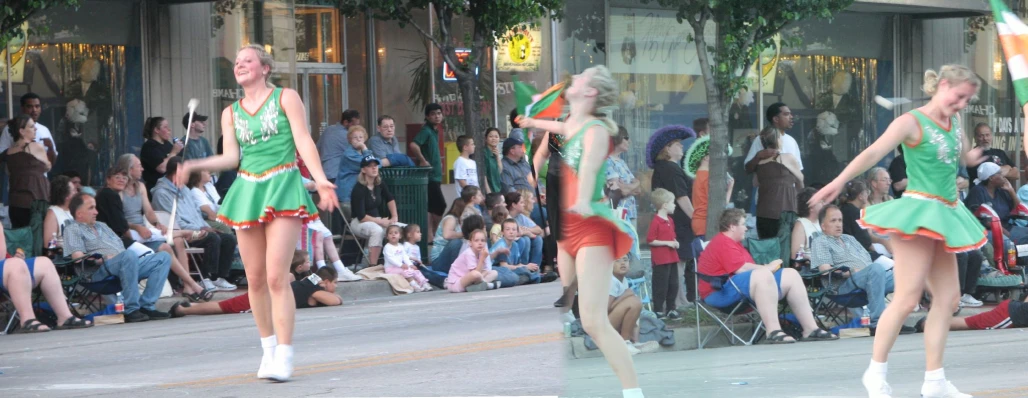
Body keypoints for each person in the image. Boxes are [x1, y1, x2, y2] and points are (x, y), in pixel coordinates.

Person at [810, 65, 986, 398]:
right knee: (906, 298)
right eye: (960, 96)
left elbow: (957, 154)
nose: (963, 104)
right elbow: (874, 152)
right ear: (944, 85)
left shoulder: (954, 122)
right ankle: (875, 374)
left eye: (967, 99)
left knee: (948, 300)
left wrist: (971, 156)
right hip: (918, 214)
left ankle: (934, 382)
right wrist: (837, 182)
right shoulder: (911, 122)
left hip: (945, 213)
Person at [176, 44, 339, 382]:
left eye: (247, 60)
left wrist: (321, 181)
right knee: (254, 278)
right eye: (237, 62)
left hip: (282, 186)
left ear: (264, 68)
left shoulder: (286, 98)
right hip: (248, 190)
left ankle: (285, 353)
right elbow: (231, 158)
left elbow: (303, 141)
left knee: (278, 276)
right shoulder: (230, 112)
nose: (240, 65)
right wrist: (194, 163)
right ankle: (267, 352)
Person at [516, 65, 642, 398]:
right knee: (582, 316)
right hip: (568, 228)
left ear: (590, 93)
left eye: (583, 77)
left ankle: (633, 392)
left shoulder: (597, 129)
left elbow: (588, 167)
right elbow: (556, 126)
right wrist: (531, 122)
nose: (574, 79)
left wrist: (584, 198)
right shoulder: (573, 123)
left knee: (595, 322)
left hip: (591, 227)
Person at [699, 208, 838, 344]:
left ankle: (810, 329)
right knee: (762, 274)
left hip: (738, 290)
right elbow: (741, 269)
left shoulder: (736, 244)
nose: (746, 228)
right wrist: (769, 268)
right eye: (743, 224)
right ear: (732, 226)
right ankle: (773, 331)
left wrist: (767, 269)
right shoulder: (722, 242)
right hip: (719, 293)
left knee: (791, 274)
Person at [64, 193, 173, 323]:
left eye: (96, 208)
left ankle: (146, 306)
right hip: (97, 272)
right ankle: (131, 309)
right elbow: (77, 258)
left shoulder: (102, 226)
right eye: (91, 208)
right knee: (128, 255)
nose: (96, 212)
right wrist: (103, 258)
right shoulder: (73, 228)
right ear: (79, 213)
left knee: (163, 257)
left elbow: (121, 249)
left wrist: (124, 258)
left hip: (124, 264)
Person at [810, 205, 903, 332]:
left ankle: (898, 321)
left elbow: (867, 261)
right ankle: (879, 323)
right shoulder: (821, 241)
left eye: (840, 220)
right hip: (843, 285)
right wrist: (852, 271)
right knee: (875, 269)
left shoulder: (850, 238)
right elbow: (825, 270)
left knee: (906, 274)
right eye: (833, 221)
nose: (838, 224)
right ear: (823, 226)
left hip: (869, 277)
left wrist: (867, 271)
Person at [153, 157, 239, 292]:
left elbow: (197, 215)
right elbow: (174, 222)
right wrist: (201, 228)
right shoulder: (161, 193)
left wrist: (206, 226)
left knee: (228, 238)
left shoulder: (185, 189)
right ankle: (204, 278)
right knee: (212, 238)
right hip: (182, 232)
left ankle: (219, 278)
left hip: (198, 227)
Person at [170, 258, 342, 318]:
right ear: (326, 282)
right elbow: (335, 301)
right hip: (263, 300)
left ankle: (190, 307)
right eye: (334, 283)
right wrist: (335, 296)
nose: (335, 287)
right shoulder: (315, 289)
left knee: (226, 305)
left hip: (267, 295)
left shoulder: (310, 284)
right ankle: (182, 310)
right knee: (223, 307)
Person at [646, 125, 697, 305]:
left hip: (674, 221)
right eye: (677, 144)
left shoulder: (667, 167)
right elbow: (681, 196)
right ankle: (677, 301)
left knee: (680, 262)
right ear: (667, 148)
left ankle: (680, 299)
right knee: (678, 262)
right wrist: (696, 219)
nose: (682, 147)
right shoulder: (669, 168)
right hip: (678, 222)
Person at [753, 126, 803, 239]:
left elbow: (755, 183)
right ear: (778, 140)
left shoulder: (760, 161)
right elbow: (800, 179)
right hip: (785, 210)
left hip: (764, 212)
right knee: (784, 248)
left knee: (767, 249)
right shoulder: (788, 158)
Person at [4, 114, 51, 228]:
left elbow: (8, 172)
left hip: (15, 203)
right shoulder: (36, 147)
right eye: (31, 127)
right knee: (36, 238)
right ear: (22, 131)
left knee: (20, 238)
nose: (35, 129)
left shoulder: (8, 152)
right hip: (35, 201)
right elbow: (48, 166)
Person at [348, 155, 397, 266]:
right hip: (359, 222)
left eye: (375, 166)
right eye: (370, 166)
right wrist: (380, 222)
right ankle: (373, 266)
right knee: (377, 230)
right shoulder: (358, 188)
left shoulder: (379, 184)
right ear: (363, 170)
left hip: (377, 220)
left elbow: (390, 199)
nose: (374, 168)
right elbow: (361, 216)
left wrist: (394, 217)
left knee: (399, 227)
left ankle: (398, 263)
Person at [683, 134, 734, 238]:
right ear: (706, 157)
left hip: (699, 221)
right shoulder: (708, 177)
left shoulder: (699, 175)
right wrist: (730, 188)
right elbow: (720, 203)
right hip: (706, 223)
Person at [409, 103, 447, 241]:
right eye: (433, 114)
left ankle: (430, 236)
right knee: (440, 205)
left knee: (431, 208)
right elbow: (413, 145)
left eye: (439, 113)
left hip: (435, 175)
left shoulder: (434, 131)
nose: (437, 116)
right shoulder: (426, 130)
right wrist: (423, 160)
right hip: (429, 176)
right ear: (427, 116)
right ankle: (433, 233)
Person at [646, 188, 681, 320]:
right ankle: (659, 309)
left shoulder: (670, 221)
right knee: (661, 284)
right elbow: (651, 240)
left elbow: (672, 236)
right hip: (661, 259)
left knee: (673, 283)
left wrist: (674, 242)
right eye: (673, 202)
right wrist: (667, 243)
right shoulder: (656, 221)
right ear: (665, 205)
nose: (675, 205)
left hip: (672, 257)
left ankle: (671, 308)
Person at [0, 93, 57, 165]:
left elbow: (51, 163)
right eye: (30, 107)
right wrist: (18, 149)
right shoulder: (10, 128)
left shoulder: (44, 130)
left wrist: (50, 148)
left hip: (41, 175)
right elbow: (1, 155)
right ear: (22, 108)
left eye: (37, 106)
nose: (34, 110)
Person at [444, 229, 500, 293]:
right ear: (470, 243)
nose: (480, 243)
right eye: (476, 240)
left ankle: (481, 285)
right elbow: (476, 273)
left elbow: (485, 270)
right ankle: (486, 284)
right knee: (475, 274)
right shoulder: (469, 253)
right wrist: (482, 259)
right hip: (456, 283)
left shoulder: (481, 252)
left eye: (483, 241)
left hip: (471, 281)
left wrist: (484, 271)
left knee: (494, 272)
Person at [140, 116, 184, 194]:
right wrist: (173, 152)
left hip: (172, 186)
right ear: (157, 130)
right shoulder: (149, 146)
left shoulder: (167, 144)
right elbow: (162, 168)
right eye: (165, 127)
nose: (169, 130)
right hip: (157, 189)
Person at [490, 218, 541, 285]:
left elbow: (517, 264)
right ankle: (535, 277)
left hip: (508, 270)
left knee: (526, 270)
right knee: (519, 272)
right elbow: (504, 267)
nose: (511, 232)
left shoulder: (515, 245)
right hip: (494, 269)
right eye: (508, 229)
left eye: (514, 230)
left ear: (517, 232)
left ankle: (533, 276)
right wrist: (525, 267)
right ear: (502, 232)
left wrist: (527, 266)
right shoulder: (501, 245)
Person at [383, 225, 431, 292]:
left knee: (414, 271)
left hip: (400, 267)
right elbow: (391, 259)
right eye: (390, 233)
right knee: (406, 271)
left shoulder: (400, 246)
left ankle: (424, 283)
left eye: (396, 233)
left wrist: (410, 265)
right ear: (387, 236)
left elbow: (405, 257)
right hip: (391, 268)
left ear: (400, 236)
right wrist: (401, 265)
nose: (393, 234)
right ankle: (414, 285)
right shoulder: (387, 247)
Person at [318, 109, 360, 183]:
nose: (356, 128)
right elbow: (358, 154)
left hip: (325, 173)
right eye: (354, 125)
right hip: (339, 174)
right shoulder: (347, 136)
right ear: (346, 122)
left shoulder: (328, 129)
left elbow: (317, 147)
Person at [334, 125, 374, 205]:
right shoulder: (349, 154)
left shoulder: (363, 153)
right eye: (355, 137)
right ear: (350, 140)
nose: (358, 139)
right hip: (347, 194)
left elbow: (375, 164)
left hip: (358, 192)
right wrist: (364, 148)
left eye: (361, 137)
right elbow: (370, 164)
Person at [42, 176, 76, 250]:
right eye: (73, 190)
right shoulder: (53, 213)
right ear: (67, 196)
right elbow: (48, 244)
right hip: (64, 257)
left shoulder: (72, 211)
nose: (76, 192)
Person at [790, 188, 823, 259]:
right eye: (820, 201)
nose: (823, 203)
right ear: (811, 206)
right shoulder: (801, 224)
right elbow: (795, 255)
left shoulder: (821, 222)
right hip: (809, 267)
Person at [482, 127, 504, 194]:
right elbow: (483, 174)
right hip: (489, 190)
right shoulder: (484, 153)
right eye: (491, 136)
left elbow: (500, 170)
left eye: (496, 137)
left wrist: (497, 157)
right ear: (486, 138)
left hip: (497, 189)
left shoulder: (496, 153)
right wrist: (488, 190)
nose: (494, 139)